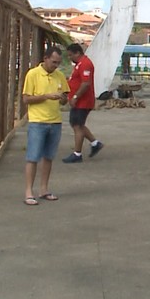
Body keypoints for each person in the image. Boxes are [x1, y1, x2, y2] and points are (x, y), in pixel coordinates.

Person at [21, 46, 69, 206]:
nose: (55, 65)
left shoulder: (60, 76)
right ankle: (29, 191)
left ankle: (44, 189)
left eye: (58, 63)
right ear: (46, 58)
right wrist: (46, 96)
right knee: (32, 157)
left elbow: (65, 98)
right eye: (53, 62)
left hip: (55, 121)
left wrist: (62, 98)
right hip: (37, 121)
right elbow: (26, 99)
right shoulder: (33, 74)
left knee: (48, 157)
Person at [60, 43, 104, 163]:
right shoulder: (80, 64)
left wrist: (75, 97)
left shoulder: (85, 64)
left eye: (70, 55)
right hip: (80, 101)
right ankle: (95, 143)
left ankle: (77, 153)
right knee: (77, 124)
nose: (70, 58)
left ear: (77, 53)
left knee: (77, 126)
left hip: (83, 101)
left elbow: (85, 83)